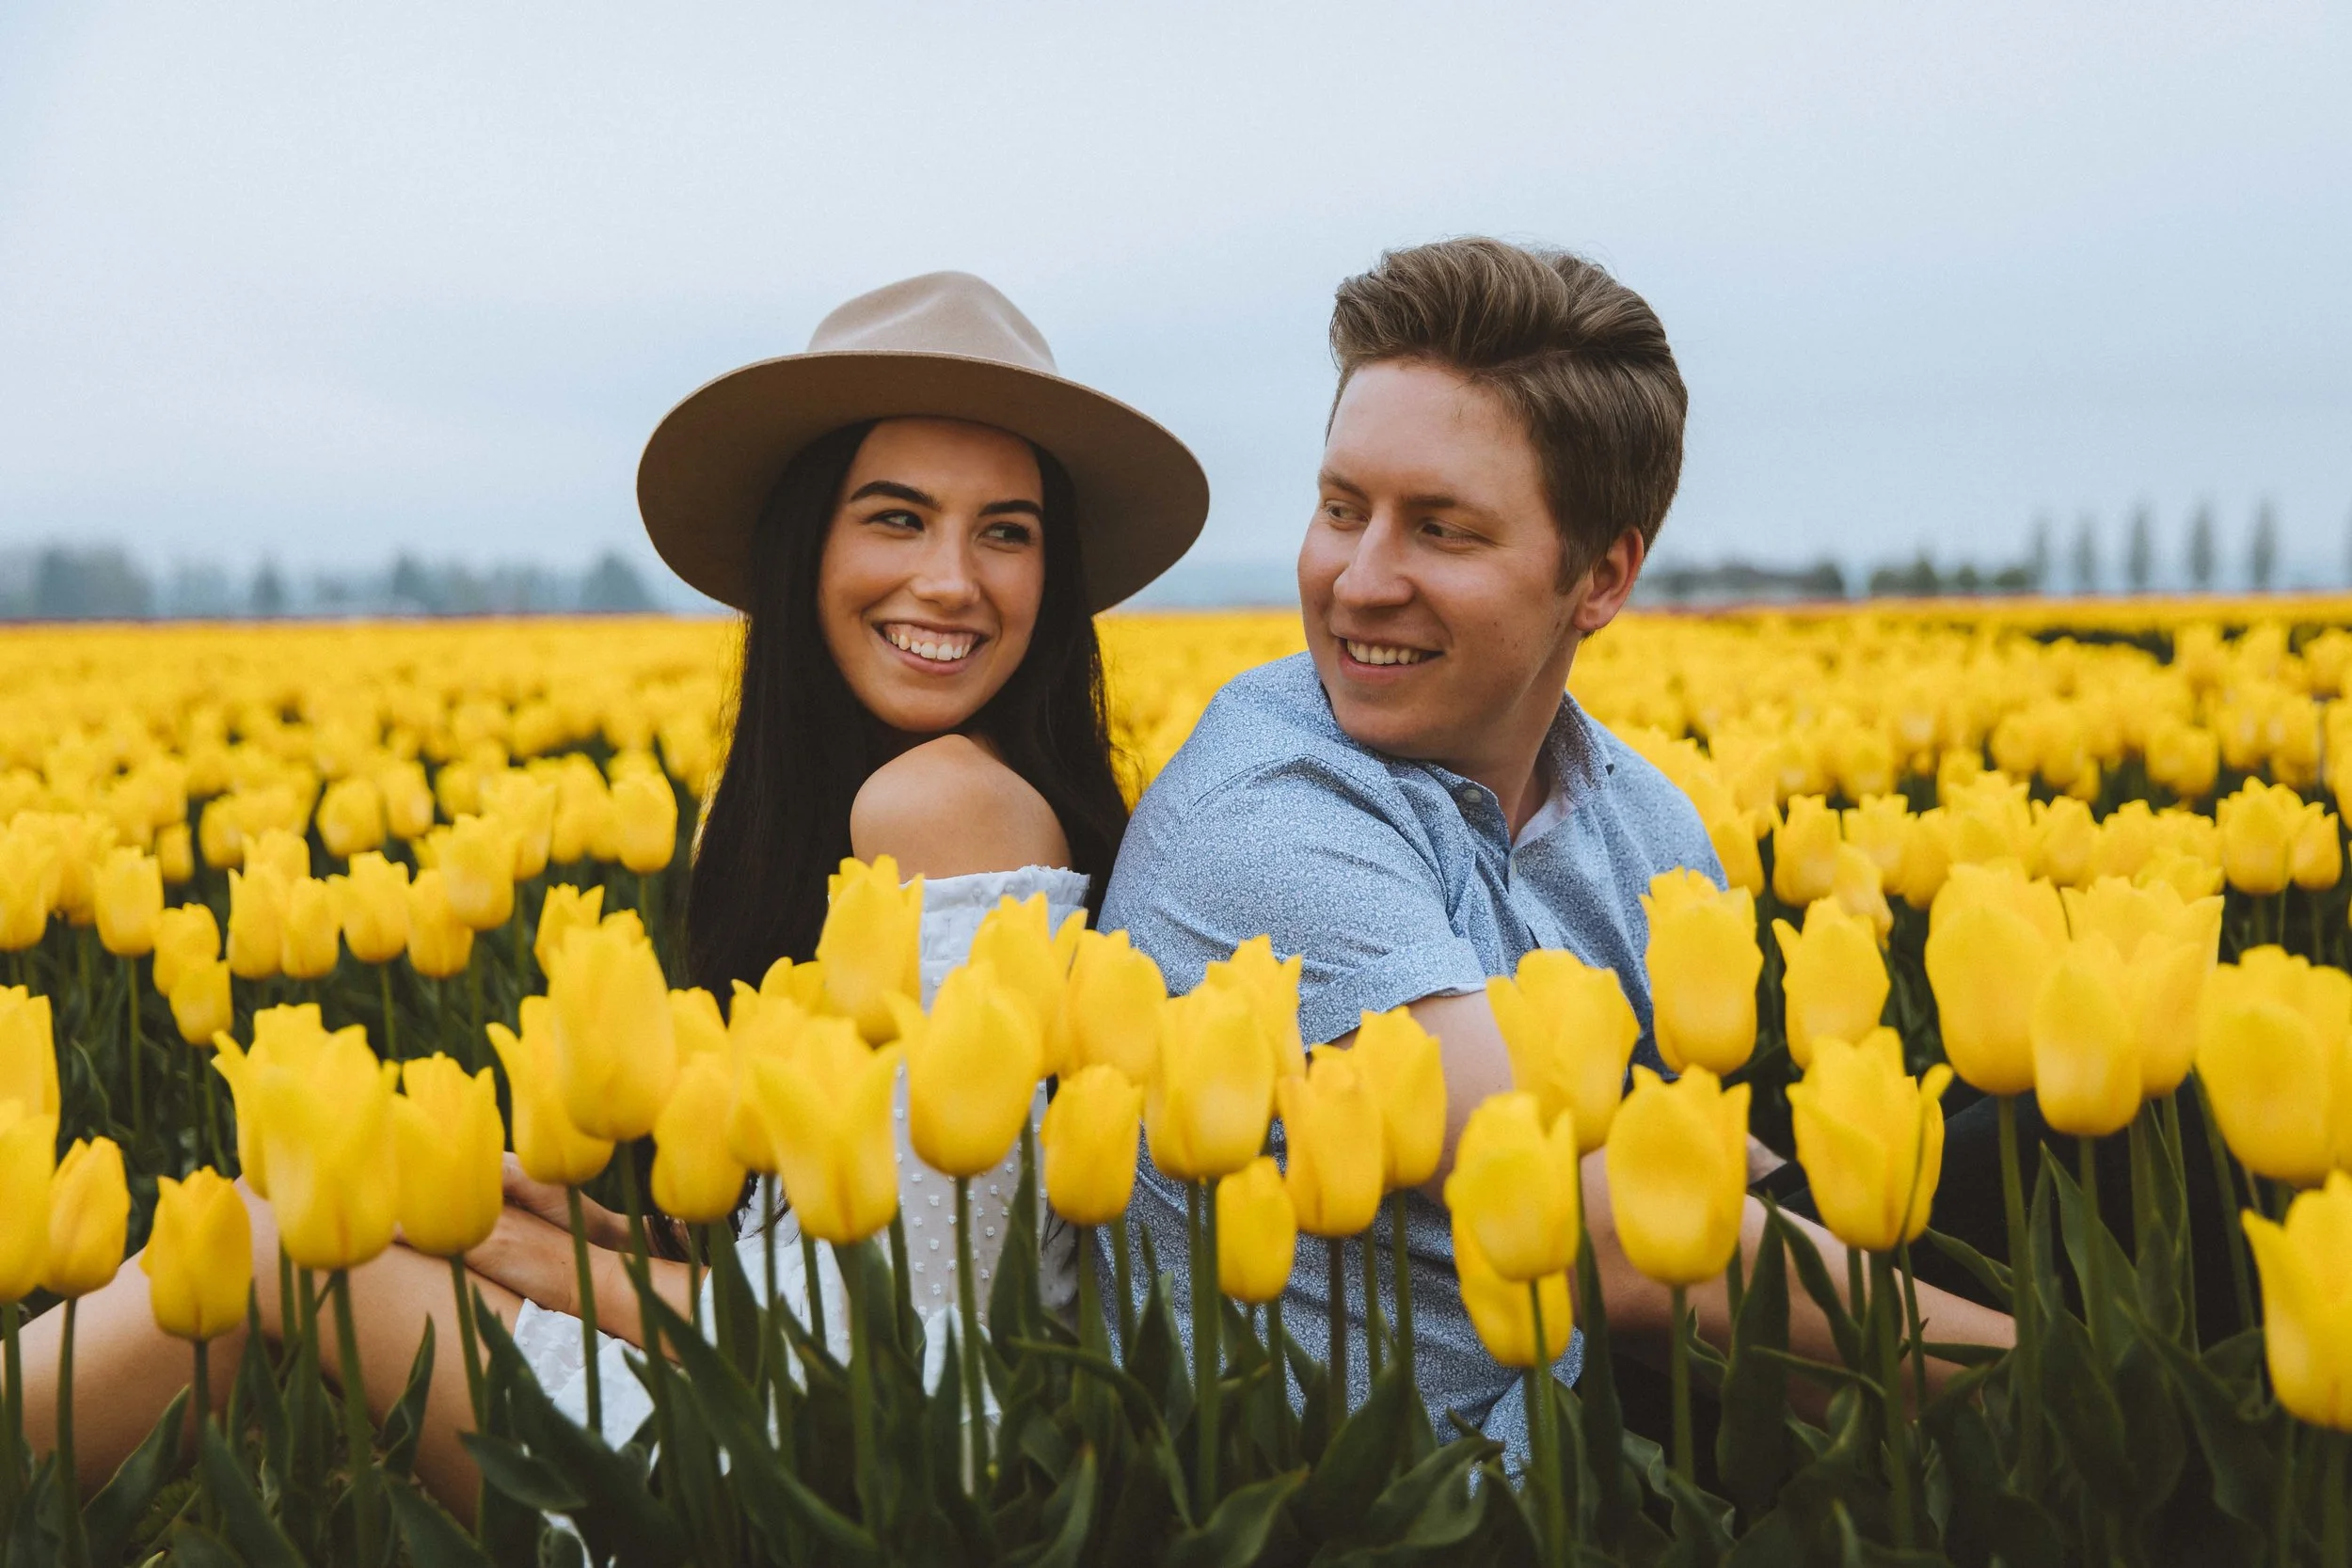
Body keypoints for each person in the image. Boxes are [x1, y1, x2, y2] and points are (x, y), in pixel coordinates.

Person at [18, 270, 1208, 1513]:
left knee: (271, 1241)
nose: (954, 579)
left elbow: (898, 1337)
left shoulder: (946, 805)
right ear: (809, 541)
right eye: (899, 518)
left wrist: (544, 1260)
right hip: (828, 1432)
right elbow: (872, 1245)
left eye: (1005, 530)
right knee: (317, 1212)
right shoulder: (917, 798)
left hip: (844, 1475)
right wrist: (603, 1236)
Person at [1098, 237, 2011, 1463]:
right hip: (1379, 1509)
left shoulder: (1645, 822)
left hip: (1616, 1447)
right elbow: (1613, 1234)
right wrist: (2081, 1391)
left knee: (2098, 1149)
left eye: (1442, 529)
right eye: (1339, 508)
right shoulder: (1260, 816)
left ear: (1602, 577)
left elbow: (1703, 1152)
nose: (1358, 579)